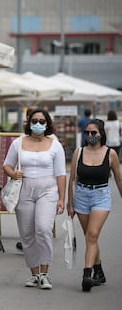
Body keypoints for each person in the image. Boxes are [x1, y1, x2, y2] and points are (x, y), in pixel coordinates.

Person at [3, 109, 66, 290]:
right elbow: (6, 165)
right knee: (27, 234)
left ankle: (45, 273)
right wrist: (14, 173)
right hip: (24, 189)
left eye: (42, 121)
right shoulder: (18, 143)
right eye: (34, 120)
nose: (38, 124)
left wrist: (62, 198)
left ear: (47, 124)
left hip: (48, 190)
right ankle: (34, 274)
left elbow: (61, 174)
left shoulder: (55, 145)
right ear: (29, 122)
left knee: (43, 228)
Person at [67, 119, 122, 292]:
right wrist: (70, 204)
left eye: (94, 133)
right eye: (87, 133)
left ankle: (87, 275)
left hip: (101, 196)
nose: (90, 136)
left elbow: (119, 178)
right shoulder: (79, 152)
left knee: (92, 235)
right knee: (90, 237)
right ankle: (99, 271)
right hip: (81, 196)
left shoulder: (111, 154)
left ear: (101, 134)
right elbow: (71, 180)